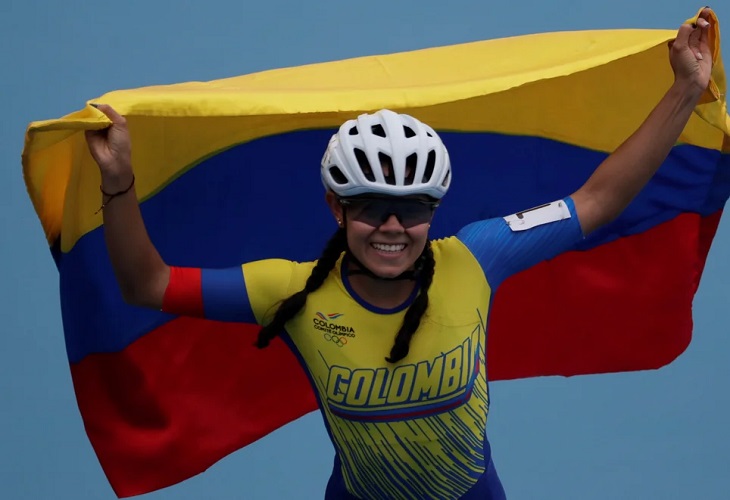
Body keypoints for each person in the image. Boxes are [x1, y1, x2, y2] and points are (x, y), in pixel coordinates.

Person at [85, 10, 712, 500]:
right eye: (370, 206)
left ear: (434, 211)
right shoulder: (290, 290)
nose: (392, 225)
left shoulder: (479, 256)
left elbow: (597, 199)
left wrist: (686, 89)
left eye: (412, 208)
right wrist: (118, 184)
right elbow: (148, 284)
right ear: (336, 207)